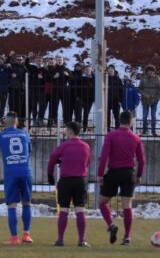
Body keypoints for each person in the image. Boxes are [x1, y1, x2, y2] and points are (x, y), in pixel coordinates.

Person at [97, 111, 145, 246]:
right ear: (131, 122)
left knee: (102, 202)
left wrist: (101, 174)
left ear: (119, 121)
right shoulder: (136, 138)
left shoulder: (111, 135)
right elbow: (142, 160)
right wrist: (139, 175)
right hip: (128, 173)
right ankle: (127, 237)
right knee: (127, 206)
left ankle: (111, 225)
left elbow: (104, 155)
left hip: (113, 173)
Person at [0, 112, 33, 245]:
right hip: (26, 172)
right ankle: (26, 235)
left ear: (5, 122)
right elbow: (29, 150)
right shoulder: (25, 134)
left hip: (11, 173)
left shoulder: (0, 135)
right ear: (17, 122)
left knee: (12, 205)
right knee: (27, 203)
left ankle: (14, 238)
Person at [47, 121, 91, 247]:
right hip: (80, 181)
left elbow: (52, 158)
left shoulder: (64, 146)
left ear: (70, 132)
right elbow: (86, 162)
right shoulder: (86, 146)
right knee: (80, 210)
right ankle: (82, 240)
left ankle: (60, 240)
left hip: (66, 181)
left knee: (64, 210)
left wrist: (50, 175)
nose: (65, 132)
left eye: (66, 130)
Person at [49, 57, 71, 127]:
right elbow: (48, 79)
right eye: (58, 60)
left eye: (60, 60)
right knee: (54, 106)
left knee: (66, 107)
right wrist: (54, 77)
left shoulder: (66, 69)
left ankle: (66, 121)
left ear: (63, 61)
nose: (59, 61)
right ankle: (54, 121)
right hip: (55, 91)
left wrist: (68, 75)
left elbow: (72, 79)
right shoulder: (53, 69)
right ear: (56, 61)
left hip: (64, 91)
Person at [139, 65, 160, 135]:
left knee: (153, 116)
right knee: (144, 116)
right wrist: (144, 94)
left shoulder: (157, 78)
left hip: (154, 101)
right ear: (146, 72)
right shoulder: (143, 78)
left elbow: (159, 89)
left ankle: (153, 131)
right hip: (145, 101)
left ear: (154, 71)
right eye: (149, 71)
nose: (150, 72)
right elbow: (139, 88)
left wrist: (156, 97)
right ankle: (145, 130)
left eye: (152, 71)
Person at [78, 65, 95, 132]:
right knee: (78, 114)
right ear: (84, 71)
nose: (88, 71)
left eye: (89, 69)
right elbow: (78, 88)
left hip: (89, 99)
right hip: (81, 98)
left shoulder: (94, 79)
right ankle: (78, 128)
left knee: (86, 114)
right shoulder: (81, 78)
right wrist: (78, 96)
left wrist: (93, 99)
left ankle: (84, 128)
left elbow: (95, 88)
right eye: (86, 69)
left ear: (91, 71)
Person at [107, 65, 123, 130]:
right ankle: (107, 128)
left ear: (114, 70)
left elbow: (121, 90)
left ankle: (117, 128)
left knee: (117, 116)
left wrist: (120, 100)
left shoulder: (118, 79)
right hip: (107, 100)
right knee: (107, 115)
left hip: (116, 100)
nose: (110, 70)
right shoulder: (105, 78)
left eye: (111, 69)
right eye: (109, 69)